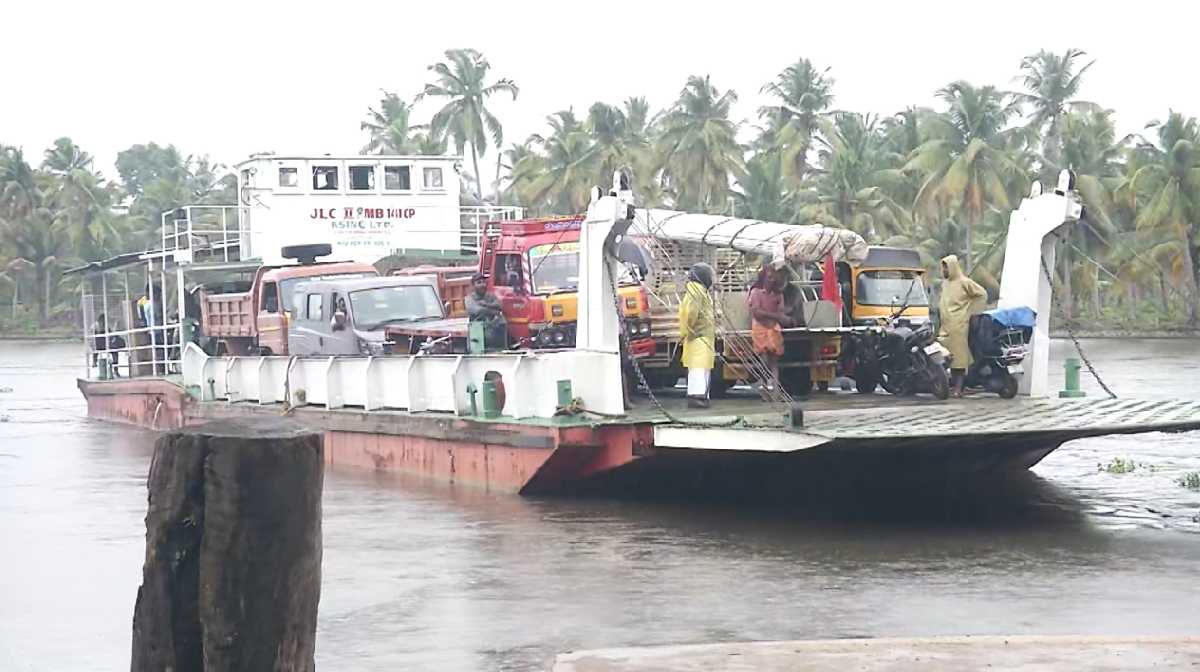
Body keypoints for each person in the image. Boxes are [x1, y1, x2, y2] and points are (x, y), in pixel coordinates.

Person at [937, 254, 987, 397]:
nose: (944, 271)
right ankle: (952, 385)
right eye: (943, 268)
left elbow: (981, 294)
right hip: (945, 326)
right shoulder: (945, 283)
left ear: (952, 267)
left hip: (959, 326)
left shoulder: (965, 282)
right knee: (948, 357)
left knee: (959, 359)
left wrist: (971, 312)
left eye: (946, 268)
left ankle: (959, 388)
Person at [678, 262, 716, 408]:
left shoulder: (699, 291)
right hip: (698, 336)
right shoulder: (696, 291)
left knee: (703, 367)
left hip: (702, 336)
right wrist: (688, 330)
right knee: (698, 368)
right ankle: (696, 396)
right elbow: (690, 314)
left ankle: (702, 396)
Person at [749, 266, 792, 393]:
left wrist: (778, 316)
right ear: (763, 277)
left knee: (774, 359)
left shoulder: (778, 294)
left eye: (773, 276)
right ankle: (765, 385)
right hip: (760, 328)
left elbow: (781, 312)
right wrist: (776, 316)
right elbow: (757, 313)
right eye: (769, 276)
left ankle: (774, 389)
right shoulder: (756, 292)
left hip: (773, 328)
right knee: (764, 359)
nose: (771, 279)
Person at [466, 272, 507, 351]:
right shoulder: (469, 298)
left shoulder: (491, 296)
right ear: (473, 286)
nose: (482, 285)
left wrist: (485, 304)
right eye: (479, 283)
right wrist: (494, 310)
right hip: (477, 337)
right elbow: (477, 310)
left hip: (494, 336)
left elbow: (500, 305)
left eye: (484, 282)